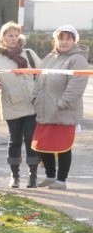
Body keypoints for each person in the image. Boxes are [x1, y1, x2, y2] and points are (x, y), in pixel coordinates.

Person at [31, 24, 89, 190]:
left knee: (62, 146)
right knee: (44, 145)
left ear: (74, 41)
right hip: (44, 109)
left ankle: (61, 180)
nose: (64, 42)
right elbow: (39, 79)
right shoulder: (50, 57)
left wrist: (62, 103)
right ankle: (50, 176)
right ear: (55, 40)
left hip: (63, 111)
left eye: (68, 38)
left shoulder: (78, 59)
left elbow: (77, 85)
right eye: (61, 38)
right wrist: (35, 98)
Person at [0, 21, 41, 188]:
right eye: (10, 35)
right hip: (11, 105)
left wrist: (38, 91)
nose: (14, 38)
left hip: (31, 105)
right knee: (15, 140)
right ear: (2, 38)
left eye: (16, 35)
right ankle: (14, 175)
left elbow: (41, 73)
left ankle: (33, 175)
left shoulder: (29, 54)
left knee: (31, 140)